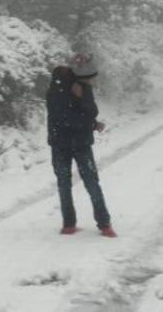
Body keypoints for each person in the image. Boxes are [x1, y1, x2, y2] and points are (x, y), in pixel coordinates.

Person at [46, 53, 115, 237]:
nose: (92, 81)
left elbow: (91, 111)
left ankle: (103, 223)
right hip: (63, 143)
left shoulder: (82, 86)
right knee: (68, 183)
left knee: (89, 182)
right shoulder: (57, 88)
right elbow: (63, 118)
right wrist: (88, 120)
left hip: (78, 141)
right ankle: (73, 224)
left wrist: (91, 119)